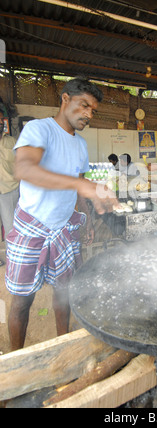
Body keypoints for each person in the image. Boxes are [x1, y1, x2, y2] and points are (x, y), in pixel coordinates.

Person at [5, 77, 119, 351]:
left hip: (64, 229)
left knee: (63, 293)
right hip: (31, 228)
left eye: (93, 110)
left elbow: (79, 187)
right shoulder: (39, 129)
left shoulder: (80, 144)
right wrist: (84, 184)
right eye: (84, 105)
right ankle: (15, 357)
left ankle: (61, 344)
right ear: (65, 99)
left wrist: (88, 216)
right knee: (22, 300)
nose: (89, 114)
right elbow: (25, 170)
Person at [0, 109, 19, 266]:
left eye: (1, 120)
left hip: (9, 191)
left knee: (10, 228)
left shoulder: (12, 142)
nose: (0, 123)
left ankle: (13, 259)